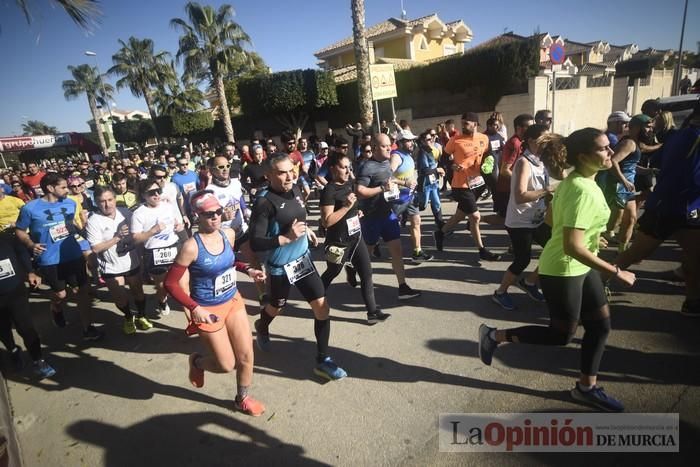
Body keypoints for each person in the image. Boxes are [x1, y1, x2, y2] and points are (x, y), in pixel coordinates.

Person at [478, 128, 636, 412]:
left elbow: (552, 219)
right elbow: (572, 246)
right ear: (583, 156)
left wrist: (590, 233)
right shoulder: (579, 188)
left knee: (600, 326)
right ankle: (493, 336)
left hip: (581, 264)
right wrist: (615, 271)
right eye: (603, 149)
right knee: (562, 335)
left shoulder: (578, 181)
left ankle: (586, 388)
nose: (610, 153)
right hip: (563, 269)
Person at [164, 190, 267, 416]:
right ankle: (198, 362)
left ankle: (242, 398)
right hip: (207, 309)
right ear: (196, 216)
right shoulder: (191, 247)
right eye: (209, 214)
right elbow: (170, 284)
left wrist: (249, 270)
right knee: (225, 364)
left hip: (232, 300)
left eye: (218, 212)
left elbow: (230, 262)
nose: (215, 217)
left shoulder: (227, 234)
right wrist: (195, 308)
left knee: (247, 356)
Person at [250, 153, 347, 381]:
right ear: (269, 175)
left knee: (322, 307)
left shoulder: (294, 189)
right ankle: (262, 325)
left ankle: (323, 360)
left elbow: (295, 216)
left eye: (290, 170)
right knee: (277, 307)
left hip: (302, 260)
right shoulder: (264, 202)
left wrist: (306, 231)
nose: (288, 176)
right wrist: (284, 238)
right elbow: (255, 241)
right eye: (281, 172)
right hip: (280, 267)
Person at [616, 101, 700, 317]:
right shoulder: (692, 138)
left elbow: (657, 160)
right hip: (668, 207)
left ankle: (692, 302)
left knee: (695, 257)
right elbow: (690, 176)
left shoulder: (680, 135)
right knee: (637, 254)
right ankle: (593, 284)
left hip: (687, 208)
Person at [15, 173, 103, 340]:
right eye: (63, 187)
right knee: (61, 294)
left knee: (81, 291)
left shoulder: (71, 203)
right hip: (49, 259)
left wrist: (85, 243)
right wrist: (30, 244)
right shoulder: (30, 208)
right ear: (50, 188)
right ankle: (55, 308)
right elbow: (19, 230)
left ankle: (88, 329)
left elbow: (73, 227)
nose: (67, 190)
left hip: (73, 254)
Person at [319, 152, 390, 324]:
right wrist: (346, 207)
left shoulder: (350, 184)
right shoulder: (329, 190)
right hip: (338, 242)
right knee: (332, 272)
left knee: (366, 274)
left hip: (355, 238)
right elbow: (327, 221)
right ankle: (316, 294)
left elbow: (351, 208)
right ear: (332, 169)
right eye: (343, 167)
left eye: (348, 167)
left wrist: (355, 212)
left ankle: (372, 312)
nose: (346, 170)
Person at [492, 124, 551, 310]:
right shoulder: (524, 162)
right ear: (532, 141)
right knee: (522, 260)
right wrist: (547, 191)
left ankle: (530, 282)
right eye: (544, 140)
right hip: (520, 222)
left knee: (555, 250)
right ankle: (500, 292)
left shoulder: (542, 161)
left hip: (537, 219)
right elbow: (520, 196)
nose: (548, 143)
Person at [355, 134, 421, 299]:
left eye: (390, 146)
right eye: (385, 146)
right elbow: (359, 192)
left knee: (397, 250)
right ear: (376, 148)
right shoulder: (366, 167)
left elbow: (388, 178)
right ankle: (356, 273)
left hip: (387, 215)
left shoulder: (386, 163)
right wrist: (382, 189)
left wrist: (403, 183)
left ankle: (403, 287)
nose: (389, 149)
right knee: (367, 253)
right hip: (371, 217)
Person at [434, 112, 501, 261]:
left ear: (475, 124)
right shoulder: (455, 140)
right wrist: (451, 165)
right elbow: (444, 158)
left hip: (478, 183)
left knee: (460, 215)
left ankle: (440, 233)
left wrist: (489, 164)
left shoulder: (484, 138)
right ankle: (482, 250)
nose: (463, 126)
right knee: (475, 217)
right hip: (461, 185)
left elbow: (488, 154)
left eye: (466, 123)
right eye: (462, 123)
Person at [86, 185, 151, 334]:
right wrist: (117, 238)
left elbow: (138, 233)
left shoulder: (126, 213)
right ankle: (128, 317)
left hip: (131, 262)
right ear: (96, 202)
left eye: (110, 199)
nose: (107, 204)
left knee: (138, 292)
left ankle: (141, 315)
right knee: (120, 299)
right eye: (102, 201)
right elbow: (96, 248)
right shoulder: (94, 221)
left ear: (115, 199)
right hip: (111, 266)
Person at [0, 230, 56, 378]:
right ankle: (13, 350)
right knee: (3, 328)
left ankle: (38, 360)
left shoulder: (6, 238)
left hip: (15, 292)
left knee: (26, 327)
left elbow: (22, 254)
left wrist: (30, 272)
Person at [131, 177, 185, 316]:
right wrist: (152, 231)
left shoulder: (168, 206)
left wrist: (179, 226)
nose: (156, 195)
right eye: (151, 192)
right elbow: (136, 238)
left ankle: (190, 312)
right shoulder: (139, 213)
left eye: (158, 191)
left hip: (174, 246)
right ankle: (162, 300)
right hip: (154, 252)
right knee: (162, 286)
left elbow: (177, 223)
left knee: (183, 283)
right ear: (143, 195)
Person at [599, 114, 654, 252]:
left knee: (631, 219)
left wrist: (649, 171)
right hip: (617, 186)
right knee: (614, 220)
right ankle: (598, 236)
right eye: (647, 127)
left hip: (627, 188)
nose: (649, 130)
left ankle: (623, 251)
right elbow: (613, 162)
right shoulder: (629, 143)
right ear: (635, 128)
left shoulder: (635, 143)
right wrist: (623, 180)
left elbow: (629, 165)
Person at [391, 129, 434, 264]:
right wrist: (404, 182)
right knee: (387, 225)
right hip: (397, 197)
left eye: (412, 140)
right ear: (401, 142)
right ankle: (372, 245)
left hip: (410, 196)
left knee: (416, 221)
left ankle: (417, 252)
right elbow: (388, 177)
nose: (412, 143)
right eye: (409, 141)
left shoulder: (409, 156)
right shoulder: (396, 156)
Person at [494, 114, 534, 220]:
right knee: (505, 218)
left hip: (512, 188)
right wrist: (522, 181)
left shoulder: (522, 142)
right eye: (529, 127)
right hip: (506, 189)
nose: (532, 129)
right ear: (519, 128)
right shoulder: (514, 143)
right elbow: (504, 170)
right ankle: (477, 220)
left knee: (509, 218)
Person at [415, 130, 445, 229]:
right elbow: (425, 170)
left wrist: (439, 171)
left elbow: (436, 164)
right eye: (428, 139)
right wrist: (437, 170)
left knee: (436, 203)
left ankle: (440, 225)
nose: (431, 139)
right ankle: (406, 212)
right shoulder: (422, 152)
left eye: (432, 137)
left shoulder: (431, 150)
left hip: (433, 183)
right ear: (423, 141)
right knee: (422, 205)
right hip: (425, 184)